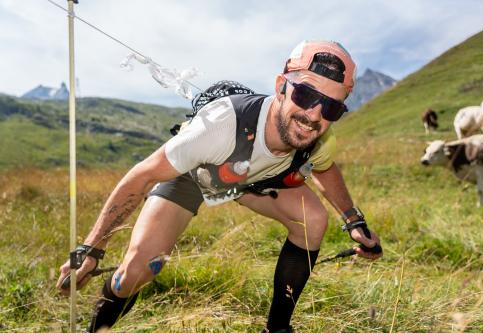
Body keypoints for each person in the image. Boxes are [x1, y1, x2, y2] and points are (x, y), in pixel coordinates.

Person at [56, 40, 383, 333]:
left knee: (313, 220)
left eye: (331, 107)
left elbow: (326, 169)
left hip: (250, 181)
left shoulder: (319, 137)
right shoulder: (221, 124)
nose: (314, 115)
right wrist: (92, 249)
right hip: (195, 175)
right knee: (138, 272)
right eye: (306, 94)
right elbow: (142, 176)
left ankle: (278, 328)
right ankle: (98, 328)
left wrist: (354, 221)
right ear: (281, 86)